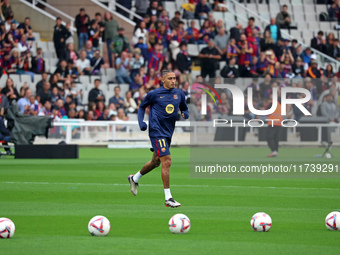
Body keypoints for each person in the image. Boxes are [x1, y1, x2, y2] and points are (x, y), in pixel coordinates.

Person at [128, 70, 189, 208]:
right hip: (156, 131)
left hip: (168, 133)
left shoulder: (179, 94)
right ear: (163, 80)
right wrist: (141, 122)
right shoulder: (154, 94)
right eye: (170, 78)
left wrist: (185, 113)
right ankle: (168, 198)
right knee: (166, 161)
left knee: (155, 162)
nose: (173, 80)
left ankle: (134, 178)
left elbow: (184, 108)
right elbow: (142, 106)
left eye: (174, 78)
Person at [266, 91, 282, 157]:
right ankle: (276, 151)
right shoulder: (279, 103)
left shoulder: (272, 103)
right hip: (279, 122)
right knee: (276, 137)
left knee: (269, 137)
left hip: (273, 122)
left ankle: (274, 150)